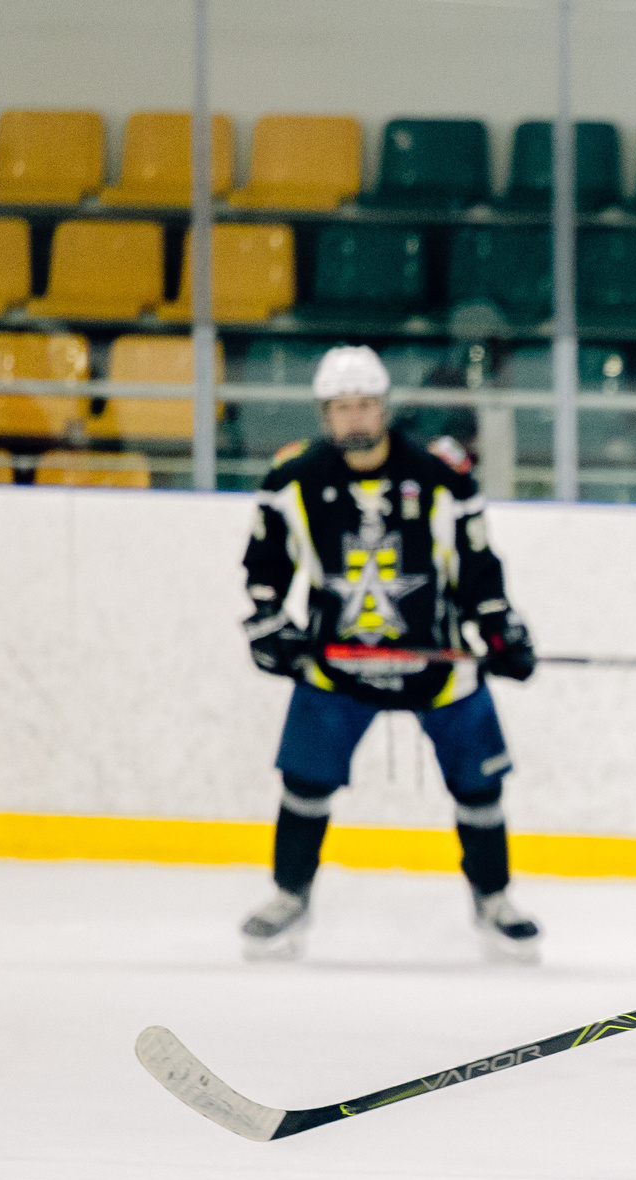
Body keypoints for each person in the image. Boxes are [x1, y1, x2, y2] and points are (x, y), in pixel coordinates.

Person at [235, 345, 541, 963]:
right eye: (341, 407)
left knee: (480, 787)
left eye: (365, 405)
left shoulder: (440, 475)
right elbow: (265, 567)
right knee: (303, 782)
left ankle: (493, 899)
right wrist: (269, 624)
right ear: (325, 414)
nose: (354, 418)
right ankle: (290, 894)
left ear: (384, 408)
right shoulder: (293, 479)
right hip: (336, 666)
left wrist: (498, 627)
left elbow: (477, 565)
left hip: (437, 662)